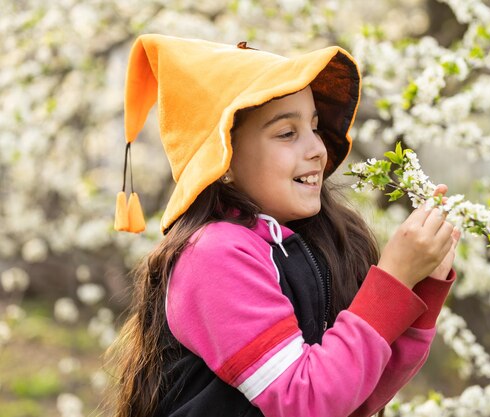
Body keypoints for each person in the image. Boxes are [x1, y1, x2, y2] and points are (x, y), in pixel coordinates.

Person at [107, 34, 460, 417]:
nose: (317, 149)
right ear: (222, 161)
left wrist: (420, 286)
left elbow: (357, 396)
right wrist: (393, 277)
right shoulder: (213, 255)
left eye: (314, 126)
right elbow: (305, 401)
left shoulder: (308, 242)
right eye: (287, 133)